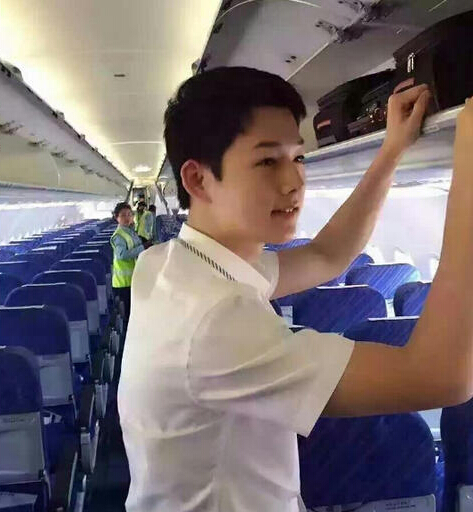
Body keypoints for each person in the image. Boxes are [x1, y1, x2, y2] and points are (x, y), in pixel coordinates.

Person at [118, 66, 473, 512]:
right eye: (268, 162)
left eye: (299, 158)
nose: (294, 182)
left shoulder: (169, 264)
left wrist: (392, 149)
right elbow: (440, 377)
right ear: (198, 179)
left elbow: (326, 255)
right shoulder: (216, 321)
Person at [110, 202, 144, 323]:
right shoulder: (119, 235)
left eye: (129, 214)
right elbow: (122, 255)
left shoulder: (130, 231)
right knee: (128, 317)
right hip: (123, 283)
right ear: (117, 217)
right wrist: (142, 247)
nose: (127, 217)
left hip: (133, 279)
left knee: (134, 314)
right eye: (123, 215)